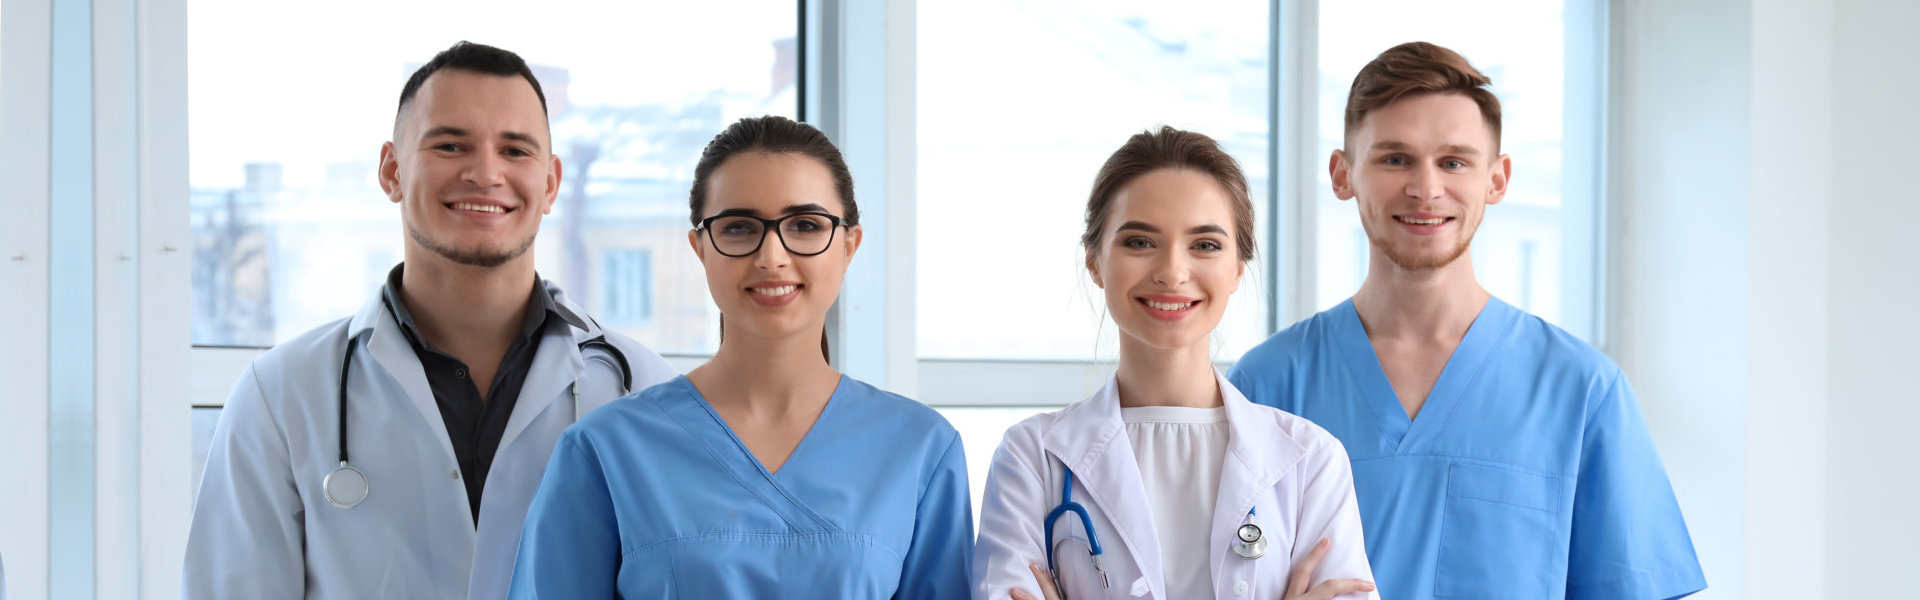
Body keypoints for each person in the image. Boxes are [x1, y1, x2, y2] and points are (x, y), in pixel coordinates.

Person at [183, 41, 677, 599]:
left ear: (551, 183)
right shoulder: (280, 396)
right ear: (392, 170)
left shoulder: (642, 389)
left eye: (515, 150)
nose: (486, 173)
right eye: (450, 144)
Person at [1227, 42, 1707, 600]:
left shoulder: (1581, 392)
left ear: (1496, 180)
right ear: (1343, 174)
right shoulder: (1266, 388)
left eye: (1453, 161)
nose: (1426, 188)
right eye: (1394, 158)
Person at [507, 115, 973, 599]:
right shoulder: (605, 451)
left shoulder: (920, 451)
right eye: (739, 227)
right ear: (700, 247)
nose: (771, 256)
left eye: (806, 225)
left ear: (849, 245)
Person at [973, 127, 1377, 600]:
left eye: (1205, 245)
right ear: (1095, 261)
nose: (1172, 272)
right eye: (1140, 242)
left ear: (1236, 270)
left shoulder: (1311, 461)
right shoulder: (1032, 458)